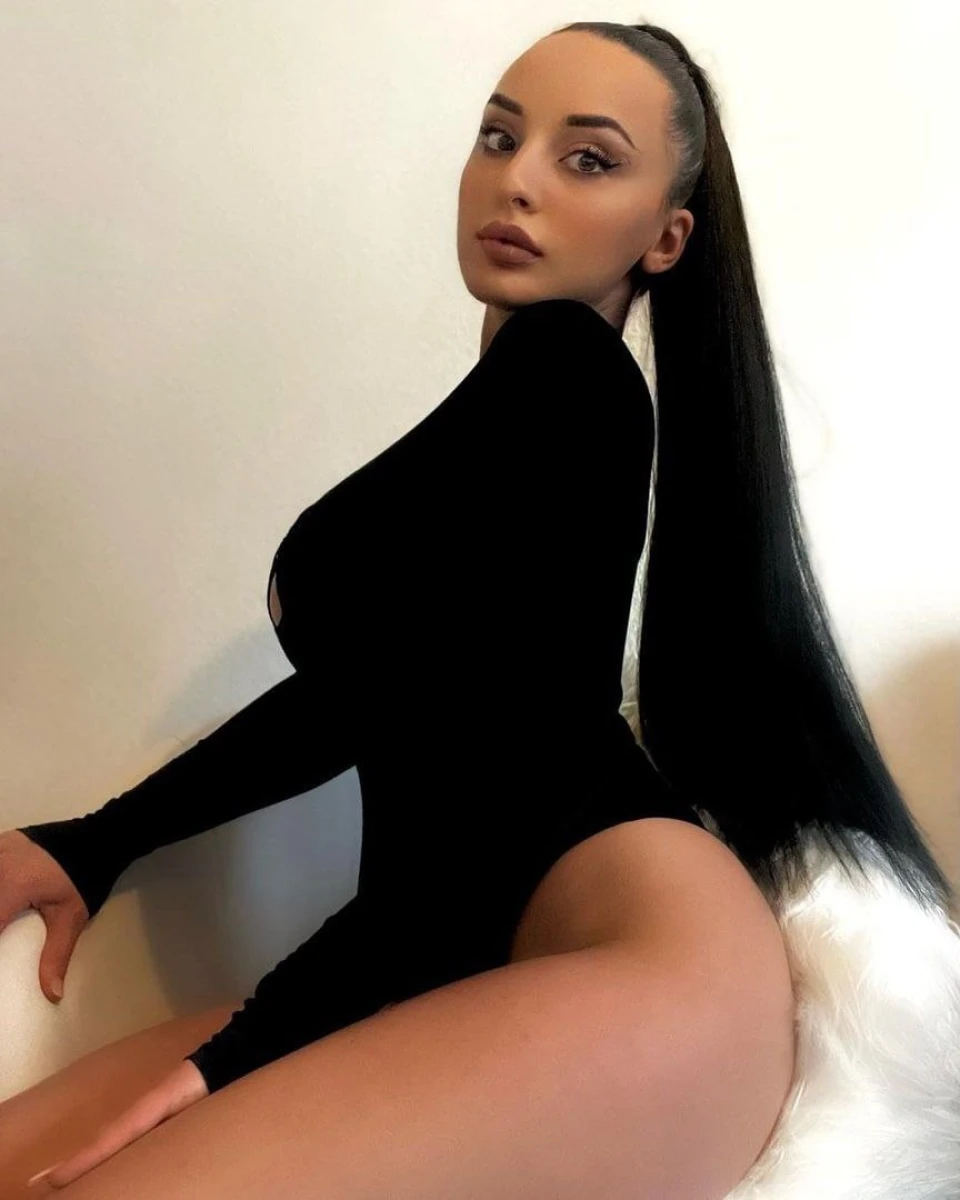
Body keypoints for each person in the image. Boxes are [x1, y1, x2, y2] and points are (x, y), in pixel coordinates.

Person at [0, 19, 952, 1199]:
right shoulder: (520, 416)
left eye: (587, 158)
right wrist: (93, 846)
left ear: (666, 238)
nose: (517, 180)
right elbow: (378, 704)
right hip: (507, 955)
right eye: (500, 137)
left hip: (642, 971)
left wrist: (232, 1054)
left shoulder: (569, 373)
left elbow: (489, 788)